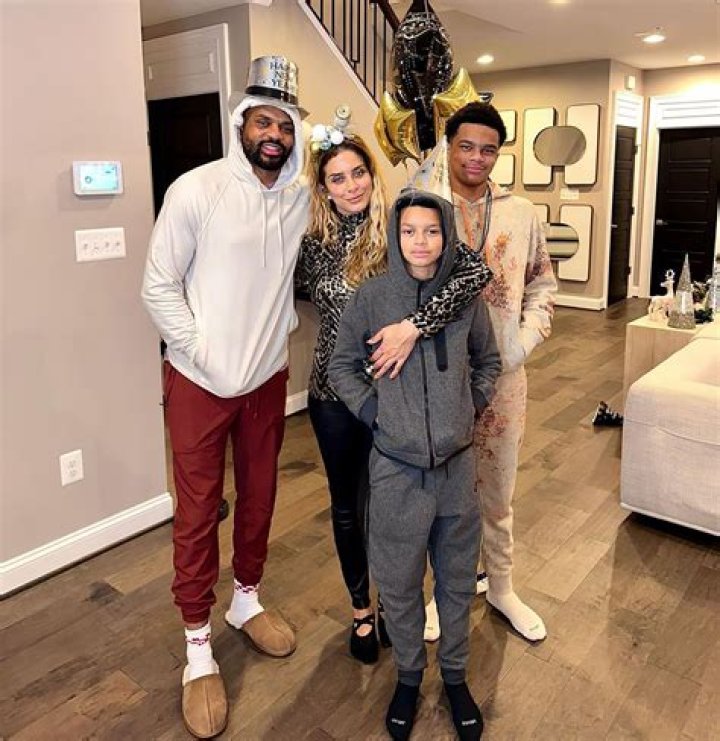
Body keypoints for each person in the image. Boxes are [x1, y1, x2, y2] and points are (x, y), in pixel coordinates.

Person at [142, 56, 308, 739]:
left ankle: (245, 600)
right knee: (197, 511)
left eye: (285, 125)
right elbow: (157, 286)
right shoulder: (196, 189)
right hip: (199, 383)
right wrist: (203, 352)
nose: (274, 135)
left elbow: (362, 209)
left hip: (267, 380)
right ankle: (197, 646)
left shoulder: (301, 197)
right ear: (241, 123)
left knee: (261, 498)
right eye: (263, 121)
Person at [295, 120, 493, 664]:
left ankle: (396, 603)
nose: (351, 185)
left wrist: (414, 326)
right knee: (348, 506)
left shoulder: (403, 228)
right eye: (337, 178)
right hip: (335, 394)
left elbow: (471, 275)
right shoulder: (313, 245)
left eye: (358, 172)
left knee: (394, 508)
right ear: (323, 189)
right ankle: (363, 609)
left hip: (405, 396)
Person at [328, 189, 501, 740]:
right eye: (409, 231)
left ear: (446, 235)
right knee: (399, 584)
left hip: (456, 471)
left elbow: (488, 361)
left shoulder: (464, 299)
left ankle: (454, 675)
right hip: (395, 471)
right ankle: (407, 675)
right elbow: (341, 366)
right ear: (395, 234)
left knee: (456, 582)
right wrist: (376, 414)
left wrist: (469, 407)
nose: (420, 242)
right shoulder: (373, 297)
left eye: (431, 231)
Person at [445, 101, 557, 642]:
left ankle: (503, 585)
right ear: (448, 146)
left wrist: (520, 344)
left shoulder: (521, 212)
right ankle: (446, 589)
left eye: (488, 149)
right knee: (445, 490)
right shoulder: (422, 206)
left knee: (498, 485)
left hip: (504, 379)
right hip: (439, 380)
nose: (477, 157)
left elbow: (543, 286)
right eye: (466, 146)